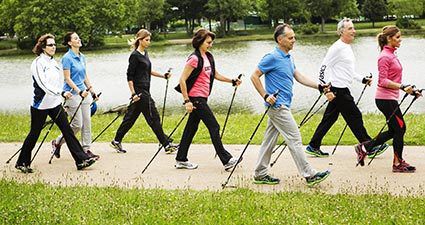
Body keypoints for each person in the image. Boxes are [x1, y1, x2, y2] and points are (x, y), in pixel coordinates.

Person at [250, 24, 330, 186]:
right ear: (280, 40)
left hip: (283, 104)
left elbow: (298, 76)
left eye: (294, 37)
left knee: (269, 140)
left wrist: (319, 86)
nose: (294, 40)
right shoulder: (271, 57)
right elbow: (254, 76)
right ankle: (309, 174)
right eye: (290, 37)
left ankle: (260, 173)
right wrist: (265, 95)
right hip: (278, 106)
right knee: (294, 137)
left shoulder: (288, 57)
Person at [305, 18, 388, 166]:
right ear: (341, 31)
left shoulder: (347, 47)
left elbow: (347, 72)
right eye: (350, 29)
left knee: (329, 118)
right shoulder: (336, 48)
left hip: (342, 88)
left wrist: (362, 79)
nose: (353, 31)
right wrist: (326, 90)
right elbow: (323, 67)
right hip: (337, 90)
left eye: (353, 28)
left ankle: (313, 145)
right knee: (355, 115)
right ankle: (369, 145)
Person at [15, 34, 96, 173]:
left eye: (54, 45)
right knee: (34, 133)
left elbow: (58, 82)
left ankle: (81, 160)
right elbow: (43, 85)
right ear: (42, 47)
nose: (53, 47)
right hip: (40, 105)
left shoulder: (53, 62)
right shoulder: (38, 63)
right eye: (50, 45)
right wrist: (62, 93)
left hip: (55, 104)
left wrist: (61, 98)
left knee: (68, 131)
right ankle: (22, 162)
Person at [174, 28, 242, 171]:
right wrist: (187, 101)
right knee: (214, 126)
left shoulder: (208, 56)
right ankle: (227, 160)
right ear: (200, 42)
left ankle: (181, 159)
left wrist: (232, 80)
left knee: (191, 129)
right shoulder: (194, 58)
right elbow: (182, 80)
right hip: (196, 98)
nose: (210, 45)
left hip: (202, 97)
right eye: (208, 42)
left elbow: (215, 74)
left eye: (211, 42)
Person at [110, 29, 178, 154]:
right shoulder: (134, 56)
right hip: (140, 92)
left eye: (149, 40)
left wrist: (163, 75)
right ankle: (166, 144)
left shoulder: (145, 54)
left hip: (146, 89)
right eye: (147, 40)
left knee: (130, 118)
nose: (149, 42)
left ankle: (116, 140)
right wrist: (133, 94)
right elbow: (129, 76)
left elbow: (148, 70)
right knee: (154, 117)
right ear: (140, 40)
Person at [375, 26, 419, 172]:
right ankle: (397, 163)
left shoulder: (392, 55)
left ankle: (364, 147)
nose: (401, 40)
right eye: (398, 37)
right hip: (385, 99)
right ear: (389, 39)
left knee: (395, 130)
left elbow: (394, 79)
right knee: (400, 128)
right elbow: (382, 81)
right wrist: (401, 86)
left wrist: (410, 91)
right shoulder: (384, 57)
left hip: (390, 98)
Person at [51, 32, 100, 160]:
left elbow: (84, 76)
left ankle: (86, 149)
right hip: (72, 95)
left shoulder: (82, 56)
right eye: (75, 38)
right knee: (77, 124)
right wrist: (79, 91)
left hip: (85, 93)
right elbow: (67, 79)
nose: (79, 39)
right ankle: (57, 142)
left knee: (87, 123)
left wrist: (92, 90)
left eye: (78, 37)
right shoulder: (67, 58)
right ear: (69, 42)